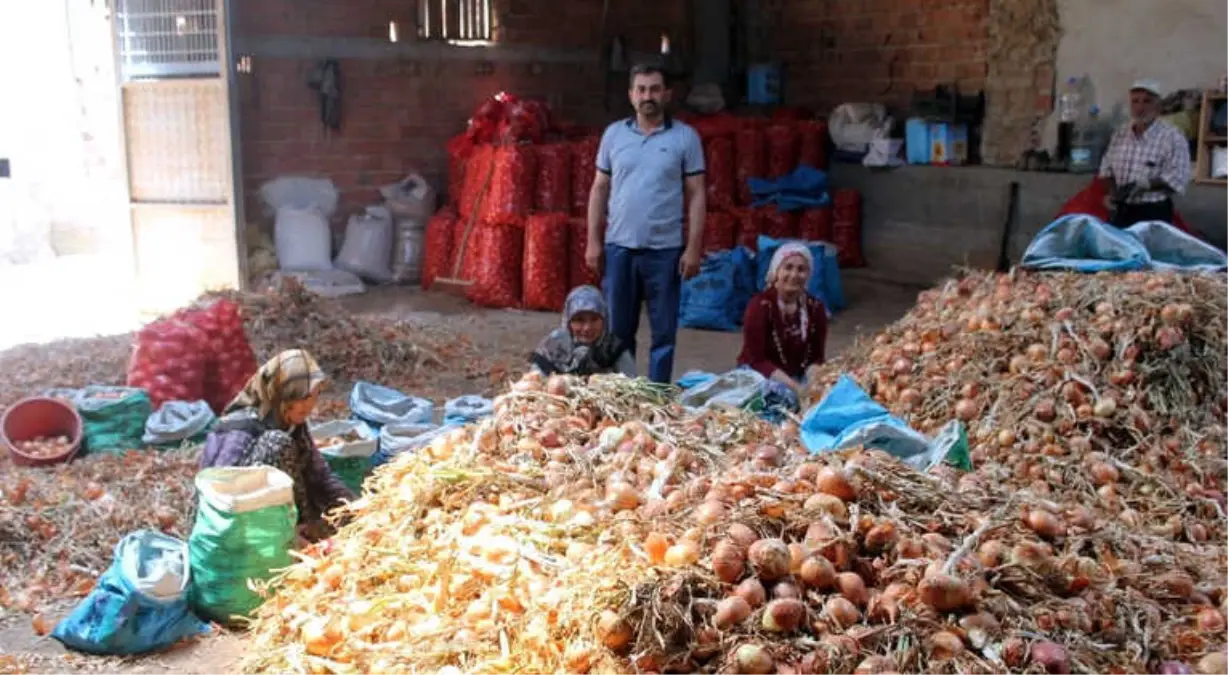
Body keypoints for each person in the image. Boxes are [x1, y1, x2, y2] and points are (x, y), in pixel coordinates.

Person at [586, 62, 707, 384]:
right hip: (619, 248)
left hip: (665, 251)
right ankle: (623, 396)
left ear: (667, 94)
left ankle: (656, 396)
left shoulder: (685, 138)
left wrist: (693, 248)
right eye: (641, 89)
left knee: (664, 332)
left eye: (654, 89)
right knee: (619, 332)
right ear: (631, 95)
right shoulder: (613, 135)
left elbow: (696, 194)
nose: (647, 96)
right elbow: (599, 188)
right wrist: (593, 241)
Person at [198, 349, 353, 541]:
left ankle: (300, 529)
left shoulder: (291, 422)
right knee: (277, 444)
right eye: (303, 397)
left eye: (316, 395)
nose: (311, 405)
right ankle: (293, 532)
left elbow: (319, 473)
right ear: (282, 394)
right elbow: (220, 490)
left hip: (278, 515)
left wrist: (350, 506)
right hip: (241, 523)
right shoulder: (241, 427)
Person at [738, 243, 829, 405]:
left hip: (797, 375)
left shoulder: (816, 308)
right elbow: (757, 360)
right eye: (788, 267)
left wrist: (816, 386)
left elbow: (816, 358)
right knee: (783, 400)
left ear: (808, 275)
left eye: (801, 269)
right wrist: (797, 389)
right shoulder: (759, 306)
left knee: (829, 395)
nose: (794, 275)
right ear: (776, 271)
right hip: (760, 374)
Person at [1099, 79, 1191, 227]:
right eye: (1135, 102)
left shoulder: (1173, 137)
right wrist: (1112, 194)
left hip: (1153, 212)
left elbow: (1178, 178)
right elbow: (1106, 169)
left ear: (1158, 106)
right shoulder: (1120, 134)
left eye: (1147, 101)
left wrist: (1147, 184)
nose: (1140, 108)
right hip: (1122, 210)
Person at [530, 285, 636, 377]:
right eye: (579, 320)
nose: (587, 328)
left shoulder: (613, 349)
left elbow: (632, 385)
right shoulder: (553, 346)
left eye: (594, 319)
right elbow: (535, 382)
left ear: (604, 320)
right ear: (568, 321)